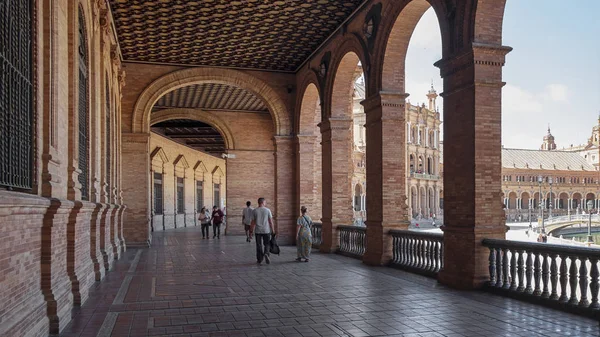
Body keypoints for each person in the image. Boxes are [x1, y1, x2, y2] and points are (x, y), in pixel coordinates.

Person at [250, 197, 275, 264]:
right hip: (266, 230)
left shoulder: (254, 211)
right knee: (267, 243)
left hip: (258, 230)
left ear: (258, 203)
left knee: (258, 245)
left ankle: (260, 259)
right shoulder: (267, 210)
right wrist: (273, 230)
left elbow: (253, 222)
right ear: (263, 202)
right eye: (265, 202)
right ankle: (266, 253)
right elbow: (270, 221)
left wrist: (251, 231)